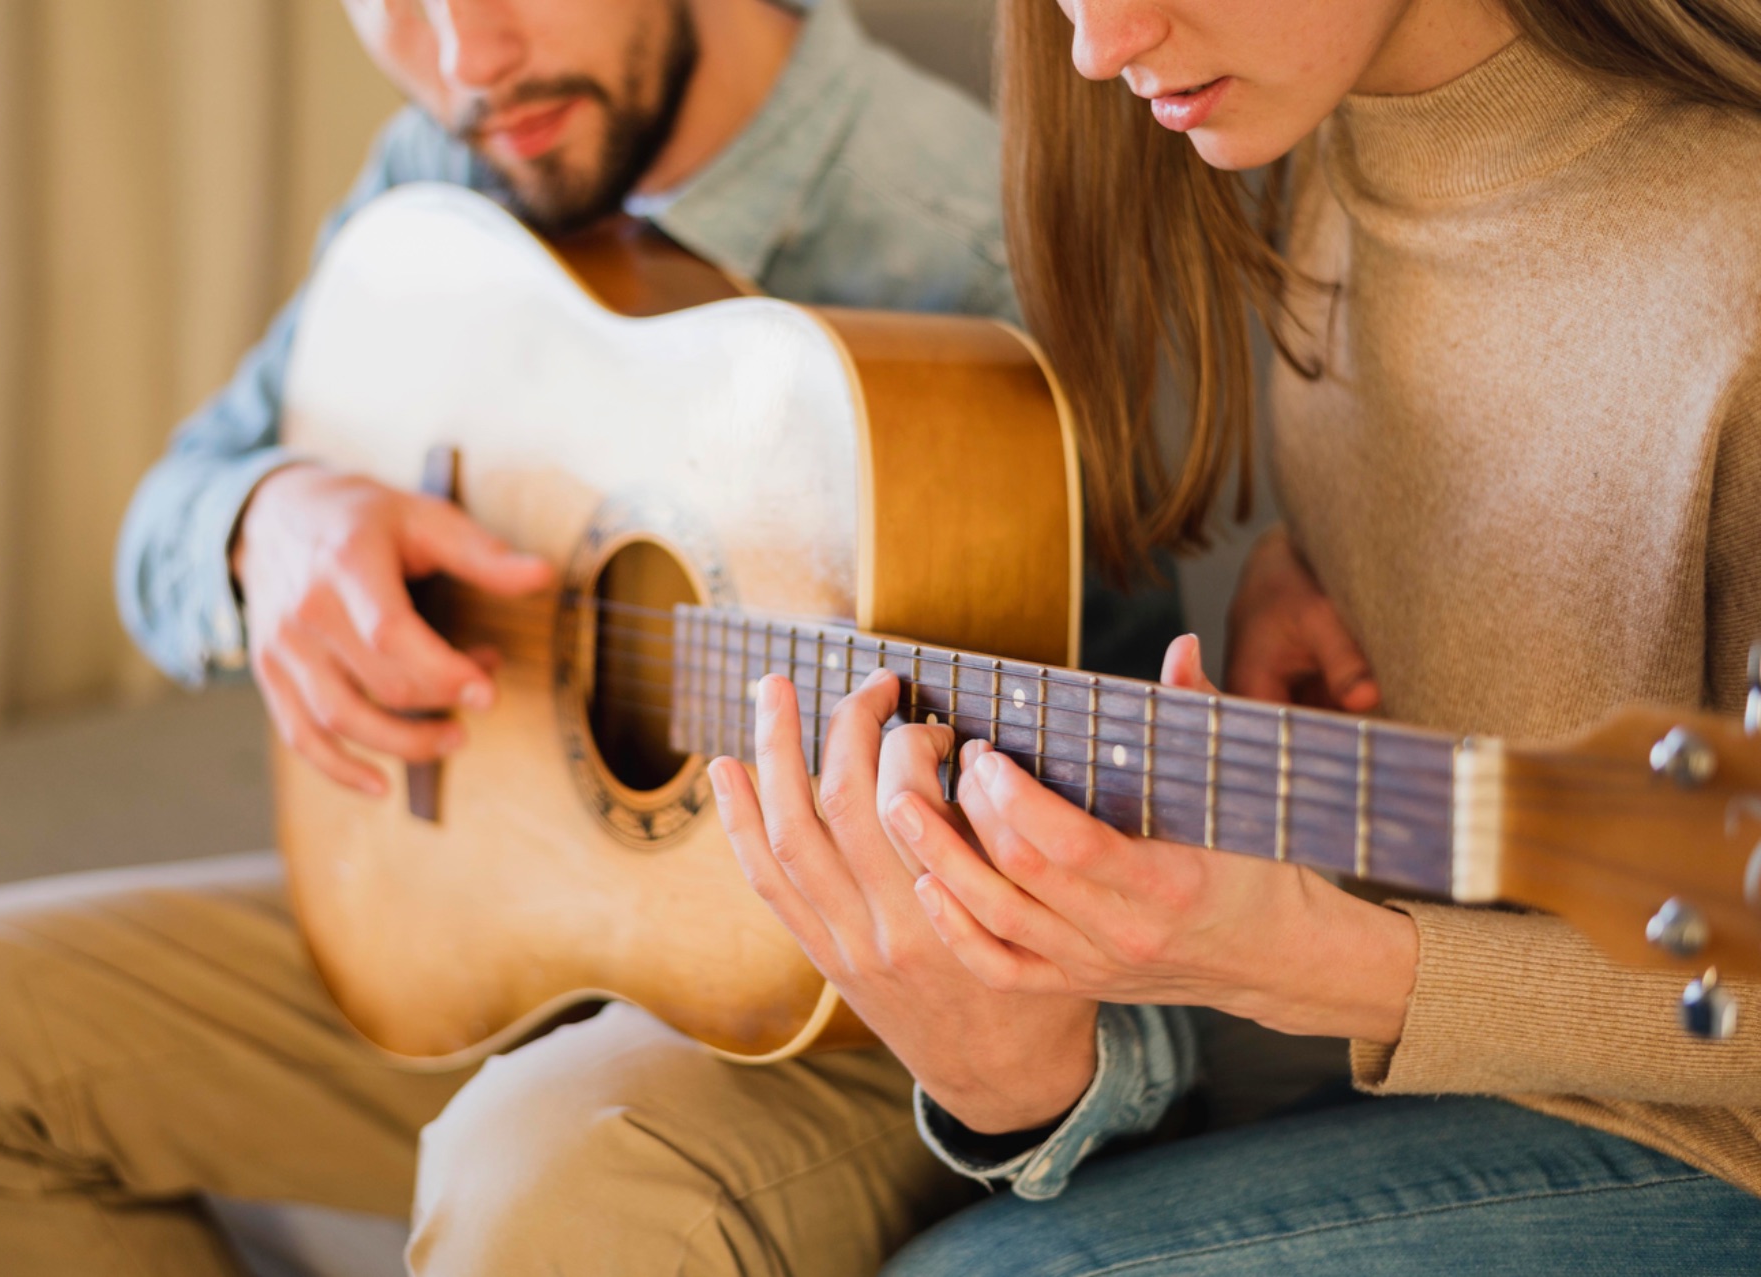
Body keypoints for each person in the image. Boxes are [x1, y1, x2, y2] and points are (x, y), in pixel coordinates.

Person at [0, 1, 1184, 1274]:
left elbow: (1156, 931)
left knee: (535, 1171)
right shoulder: (458, 172)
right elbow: (168, 511)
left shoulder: (989, 251)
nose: (465, 57)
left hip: (847, 1020)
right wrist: (263, 520)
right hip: (492, 923)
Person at [712, 0, 1761, 1270]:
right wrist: (1319, 558)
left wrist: (1328, 966)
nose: (1095, 46)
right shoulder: (1319, 118)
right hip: (1439, 1039)